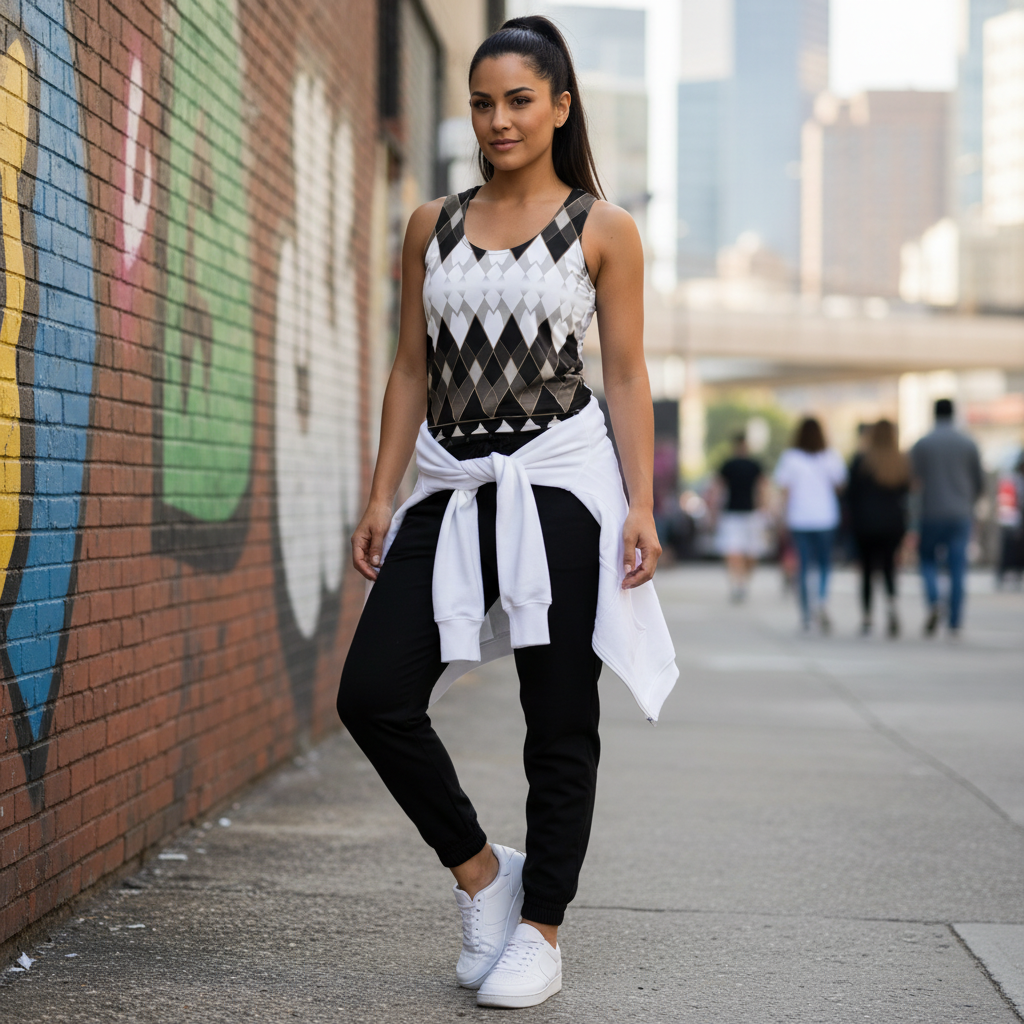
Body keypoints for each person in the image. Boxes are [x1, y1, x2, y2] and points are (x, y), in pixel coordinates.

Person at [336, 17, 677, 1011]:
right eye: (482, 103)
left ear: (561, 106)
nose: (499, 120)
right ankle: (485, 877)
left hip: (561, 487)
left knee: (559, 716)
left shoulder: (603, 229)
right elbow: (411, 369)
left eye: (520, 100)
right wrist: (380, 493)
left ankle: (542, 928)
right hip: (450, 487)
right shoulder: (429, 224)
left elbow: (625, 373)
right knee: (373, 694)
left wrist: (642, 503)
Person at [910, 398, 983, 636]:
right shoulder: (968, 443)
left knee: (927, 560)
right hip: (960, 512)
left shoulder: (922, 444)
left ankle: (934, 601)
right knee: (957, 566)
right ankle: (954, 621)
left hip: (931, 512)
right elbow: (979, 482)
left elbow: (912, 481)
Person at [773, 417, 847, 632]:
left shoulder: (790, 457)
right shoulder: (831, 456)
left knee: (803, 566)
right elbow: (840, 485)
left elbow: (784, 490)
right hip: (825, 517)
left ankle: (806, 614)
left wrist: (782, 517)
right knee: (824, 564)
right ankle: (821, 599)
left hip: (799, 518)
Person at [846, 420, 910, 637]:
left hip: (865, 523)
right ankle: (891, 606)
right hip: (892, 523)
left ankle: (867, 617)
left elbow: (850, 495)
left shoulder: (861, 460)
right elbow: (906, 492)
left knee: (866, 571)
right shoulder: (899, 460)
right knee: (889, 567)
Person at [712, 431, 765, 602]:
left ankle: (742, 582)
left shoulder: (752, 465)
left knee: (748, 553)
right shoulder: (730, 465)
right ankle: (738, 583)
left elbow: (762, 487)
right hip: (734, 513)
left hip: (748, 513)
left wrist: (764, 508)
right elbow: (719, 488)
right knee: (735, 551)